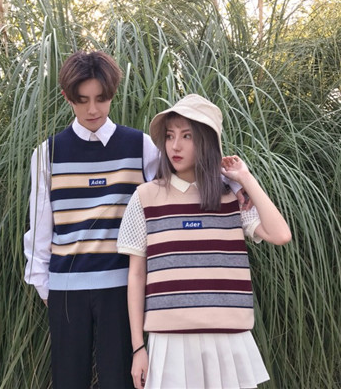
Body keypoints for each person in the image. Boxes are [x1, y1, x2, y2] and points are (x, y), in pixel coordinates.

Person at [24, 51, 248, 388]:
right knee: (68, 380)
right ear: (67, 97)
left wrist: (235, 184)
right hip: (65, 290)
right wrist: (44, 285)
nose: (93, 109)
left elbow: (182, 175)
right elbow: (41, 224)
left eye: (101, 98)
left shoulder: (139, 145)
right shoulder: (47, 153)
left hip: (120, 287)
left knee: (120, 380)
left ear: (112, 94)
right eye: (82, 100)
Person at [117, 94, 292, 389]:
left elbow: (280, 235)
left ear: (207, 142)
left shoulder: (232, 198)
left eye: (187, 136)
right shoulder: (145, 197)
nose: (175, 145)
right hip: (169, 340)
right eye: (170, 136)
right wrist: (138, 348)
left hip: (228, 338)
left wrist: (245, 179)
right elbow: (135, 275)